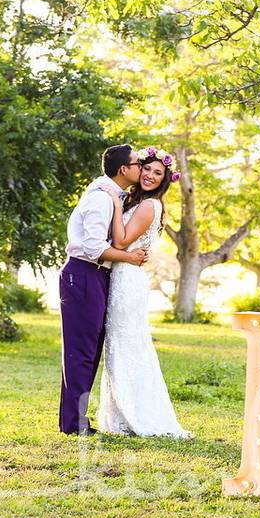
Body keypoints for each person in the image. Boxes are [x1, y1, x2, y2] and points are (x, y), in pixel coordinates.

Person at [97, 146, 192, 438]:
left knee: (127, 346)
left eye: (157, 172)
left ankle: (139, 414)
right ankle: (120, 414)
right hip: (122, 277)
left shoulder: (150, 205)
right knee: (119, 346)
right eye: (146, 169)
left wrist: (114, 204)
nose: (150, 175)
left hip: (127, 280)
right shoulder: (136, 201)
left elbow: (122, 241)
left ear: (164, 179)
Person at [59, 144, 148, 435]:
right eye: (138, 163)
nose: (141, 168)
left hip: (95, 276)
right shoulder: (101, 198)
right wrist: (130, 257)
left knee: (89, 350)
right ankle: (74, 423)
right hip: (84, 274)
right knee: (81, 352)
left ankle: (75, 420)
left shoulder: (112, 195)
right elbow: (93, 246)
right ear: (124, 169)